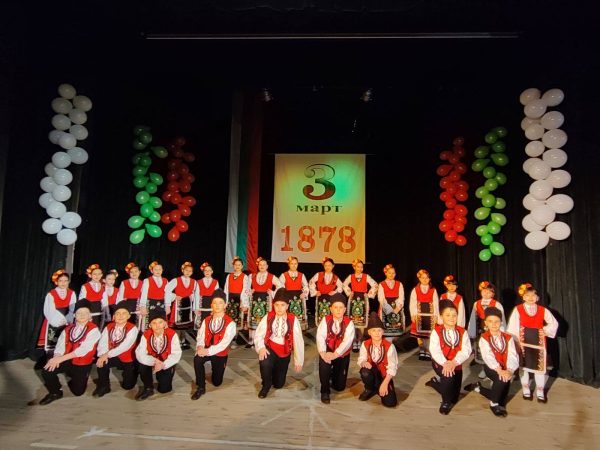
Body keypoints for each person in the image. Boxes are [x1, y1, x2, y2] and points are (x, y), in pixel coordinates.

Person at [38, 303, 101, 405]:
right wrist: (56, 357)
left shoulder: (94, 330)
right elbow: (60, 346)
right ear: (74, 315)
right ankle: (55, 392)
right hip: (66, 360)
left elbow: (83, 350)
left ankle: (80, 377)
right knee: (47, 370)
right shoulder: (68, 328)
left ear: (90, 316)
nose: (82, 315)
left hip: (82, 363)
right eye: (79, 313)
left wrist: (60, 359)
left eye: (85, 313)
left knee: (78, 392)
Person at [507, 283, 558, 403]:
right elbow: (513, 326)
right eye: (527, 295)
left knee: (539, 367)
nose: (530, 298)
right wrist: (515, 342)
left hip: (538, 343)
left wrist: (545, 330)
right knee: (523, 367)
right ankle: (526, 389)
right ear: (523, 297)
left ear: (537, 297)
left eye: (533, 295)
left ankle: (540, 391)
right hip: (523, 343)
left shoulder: (542, 310)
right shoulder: (518, 309)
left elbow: (554, 323)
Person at [466, 306, 519, 417]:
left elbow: (512, 355)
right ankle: (493, 404)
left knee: (501, 398)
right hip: (492, 368)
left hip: (507, 368)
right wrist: (499, 370)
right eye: (490, 321)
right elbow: (488, 356)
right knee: (501, 381)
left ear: (501, 322)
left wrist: (510, 370)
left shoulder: (508, 337)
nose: (494, 324)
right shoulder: (484, 338)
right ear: (486, 323)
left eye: (497, 321)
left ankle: (477, 388)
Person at [254, 288, 304, 399]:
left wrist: (298, 360)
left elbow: (298, 341)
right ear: (273, 305)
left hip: (284, 352)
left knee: (279, 384)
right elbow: (258, 334)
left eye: (282, 305)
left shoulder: (293, 319)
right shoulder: (268, 316)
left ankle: (273, 375)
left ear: (287, 306)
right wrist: (261, 347)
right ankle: (266, 385)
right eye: (277, 305)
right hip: (270, 348)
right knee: (265, 362)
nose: (279, 308)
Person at [426, 302, 472, 415]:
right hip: (440, 363)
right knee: (448, 376)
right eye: (448, 315)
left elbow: (466, 350)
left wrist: (454, 362)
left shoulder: (463, 332)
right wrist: (446, 363)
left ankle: (434, 383)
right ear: (441, 316)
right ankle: (445, 402)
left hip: (456, 364)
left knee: (454, 397)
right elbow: (435, 351)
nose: (451, 318)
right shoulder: (436, 331)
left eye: (454, 315)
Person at [192, 289, 237, 400]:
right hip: (206, 349)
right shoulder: (206, 320)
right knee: (197, 359)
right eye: (215, 303)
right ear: (211, 305)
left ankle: (216, 370)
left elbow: (224, 344)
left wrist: (207, 351)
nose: (217, 305)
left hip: (219, 353)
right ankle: (201, 387)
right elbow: (201, 335)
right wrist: (200, 346)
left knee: (217, 382)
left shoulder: (230, 323)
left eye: (220, 303)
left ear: (225, 305)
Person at [316, 293, 355, 404]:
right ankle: (325, 391)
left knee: (339, 387)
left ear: (345, 309)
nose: (338, 310)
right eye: (335, 307)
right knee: (324, 365)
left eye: (341, 307)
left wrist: (335, 354)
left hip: (341, 354)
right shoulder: (326, 320)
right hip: (327, 351)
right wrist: (323, 353)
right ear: (331, 309)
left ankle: (334, 375)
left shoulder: (349, 323)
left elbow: (347, 342)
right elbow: (320, 336)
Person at [135, 309, 182, 400]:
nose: (157, 326)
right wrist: (154, 361)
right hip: (151, 360)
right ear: (150, 325)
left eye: (160, 322)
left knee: (164, 389)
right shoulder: (146, 335)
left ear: (165, 324)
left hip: (165, 362)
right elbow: (140, 353)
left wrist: (163, 364)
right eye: (154, 323)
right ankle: (148, 387)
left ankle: (167, 374)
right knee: (142, 365)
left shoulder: (172, 334)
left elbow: (176, 354)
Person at [94, 306, 139, 397]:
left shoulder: (132, 328)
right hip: (112, 356)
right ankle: (104, 386)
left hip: (127, 358)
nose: (120, 316)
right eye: (118, 314)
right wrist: (102, 355)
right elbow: (102, 343)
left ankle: (134, 372)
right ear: (113, 316)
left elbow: (124, 346)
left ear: (128, 316)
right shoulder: (109, 327)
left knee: (128, 386)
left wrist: (106, 355)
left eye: (124, 313)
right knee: (101, 362)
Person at [357, 313, 398, 408]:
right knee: (365, 371)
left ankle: (380, 386)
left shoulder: (389, 346)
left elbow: (392, 367)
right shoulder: (365, 344)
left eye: (379, 330)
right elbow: (361, 358)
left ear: (383, 332)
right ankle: (369, 389)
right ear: (369, 332)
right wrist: (363, 362)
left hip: (384, 375)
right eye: (374, 330)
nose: (377, 333)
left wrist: (385, 383)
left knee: (390, 403)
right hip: (372, 373)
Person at [468, 281, 505, 377]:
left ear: (493, 293)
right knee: (482, 349)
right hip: (481, 331)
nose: (486, 293)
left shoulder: (497, 304)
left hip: (493, 330)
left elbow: (502, 319)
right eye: (484, 291)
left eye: (489, 292)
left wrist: (502, 331)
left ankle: (494, 369)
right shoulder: (476, 304)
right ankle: (484, 369)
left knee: (493, 349)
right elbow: (473, 318)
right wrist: (472, 331)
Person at [37, 269, 76, 357]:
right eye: (61, 281)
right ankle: (51, 359)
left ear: (68, 281)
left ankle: (63, 359)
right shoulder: (51, 294)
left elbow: (72, 308)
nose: (63, 283)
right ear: (56, 282)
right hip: (54, 319)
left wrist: (68, 319)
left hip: (67, 319)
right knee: (53, 341)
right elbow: (49, 309)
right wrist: (59, 320)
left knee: (65, 341)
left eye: (65, 281)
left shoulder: (72, 293)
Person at [343, 258, 378, 351]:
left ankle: (360, 340)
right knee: (353, 321)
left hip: (363, 299)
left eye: (361, 267)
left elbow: (375, 285)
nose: (360, 268)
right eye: (358, 267)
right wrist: (349, 292)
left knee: (362, 322)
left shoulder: (366, 276)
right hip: (353, 299)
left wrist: (369, 294)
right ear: (354, 267)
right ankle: (354, 340)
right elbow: (344, 284)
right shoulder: (351, 276)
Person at [248, 257, 283, 348]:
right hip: (254, 300)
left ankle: (264, 340)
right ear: (258, 266)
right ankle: (252, 341)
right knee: (254, 320)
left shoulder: (271, 276)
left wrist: (272, 292)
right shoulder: (252, 276)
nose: (262, 266)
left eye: (264, 265)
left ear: (267, 266)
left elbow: (280, 286)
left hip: (266, 300)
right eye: (260, 265)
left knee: (265, 320)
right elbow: (246, 287)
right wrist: (250, 291)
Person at [165, 261, 199, 349]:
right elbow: (167, 290)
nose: (188, 272)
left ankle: (183, 341)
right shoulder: (176, 280)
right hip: (178, 305)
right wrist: (174, 296)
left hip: (187, 305)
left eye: (190, 271)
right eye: (186, 270)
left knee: (185, 325)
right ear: (182, 270)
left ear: (192, 272)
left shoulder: (194, 282)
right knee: (178, 324)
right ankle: (177, 342)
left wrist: (195, 306)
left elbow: (196, 294)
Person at [409, 269, 439, 361]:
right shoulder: (415, 290)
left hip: (430, 316)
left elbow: (436, 303)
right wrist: (413, 314)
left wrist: (436, 316)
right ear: (419, 279)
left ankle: (428, 351)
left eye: (426, 278)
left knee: (429, 335)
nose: (425, 280)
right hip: (419, 316)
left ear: (429, 279)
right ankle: (422, 350)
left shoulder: (433, 290)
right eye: (423, 278)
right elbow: (412, 303)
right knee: (420, 336)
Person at [223, 256, 251, 347]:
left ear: (242, 266)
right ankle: (228, 339)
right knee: (228, 320)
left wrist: (244, 303)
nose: (237, 266)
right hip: (230, 300)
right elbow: (226, 289)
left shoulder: (245, 277)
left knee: (237, 321)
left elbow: (245, 290)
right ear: (233, 266)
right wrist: (225, 302)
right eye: (236, 265)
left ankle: (234, 340)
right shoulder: (229, 276)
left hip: (239, 300)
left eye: (239, 265)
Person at [309, 257, 344, 326]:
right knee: (320, 313)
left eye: (329, 265)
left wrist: (334, 292)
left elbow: (341, 286)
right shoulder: (319, 274)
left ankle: (330, 326)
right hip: (320, 297)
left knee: (330, 313)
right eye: (326, 265)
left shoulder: (335, 277)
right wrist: (315, 292)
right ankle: (320, 327)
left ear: (333, 266)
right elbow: (311, 282)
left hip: (330, 298)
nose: (327, 267)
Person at [279, 256, 309, 331]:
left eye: (295, 263)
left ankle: (298, 332)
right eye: (292, 263)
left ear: (298, 264)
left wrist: (304, 293)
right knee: (288, 316)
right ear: (289, 264)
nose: (294, 265)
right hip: (288, 297)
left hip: (299, 297)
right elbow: (280, 287)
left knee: (299, 316)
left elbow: (306, 285)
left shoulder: (301, 275)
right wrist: (284, 295)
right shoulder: (284, 275)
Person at [377, 264, 405, 343]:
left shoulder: (399, 284)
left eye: (393, 273)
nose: (391, 275)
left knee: (396, 331)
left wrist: (397, 308)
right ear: (386, 273)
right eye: (389, 273)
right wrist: (388, 309)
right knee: (386, 332)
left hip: (397, 309)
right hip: (385, 309)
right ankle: (387, 345)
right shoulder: (381, 284)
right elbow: (381, 298)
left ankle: (393, 345)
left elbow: (401, 297)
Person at [139, 261, 168, 332]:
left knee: (161, 322)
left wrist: (168, 306)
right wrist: (142, 306)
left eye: (159, 269)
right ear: (151, 271)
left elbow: (167, 295)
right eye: (155, 269)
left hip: (162, 305)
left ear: (162, 270)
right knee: (149, 323)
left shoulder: (165, 280)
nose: (158, 271)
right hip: (150, 304)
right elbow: (143, 294)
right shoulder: (147, 280)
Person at [79, 263, 106, 328]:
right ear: (90, 275)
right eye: (94, 274)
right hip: (89, 312)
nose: (97, 276)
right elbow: (81, 301)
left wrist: (105, 312)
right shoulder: (85, 286)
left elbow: (105, 300)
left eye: (99, 274)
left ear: (101, 275)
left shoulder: (103, 286)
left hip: (100, 313)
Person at [195, 262, 220, 329]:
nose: (207, 272)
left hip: (211, 304)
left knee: (210, 321)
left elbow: (217, 295)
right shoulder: (199, 282)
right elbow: (196, 295)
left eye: (209, 270)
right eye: (205, 270)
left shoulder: (215, 282)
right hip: (201, 304)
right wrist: (196, 307)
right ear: (203, 272)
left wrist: (217, 307)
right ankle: (201, 334)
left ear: (212, 271)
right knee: (201, 322)